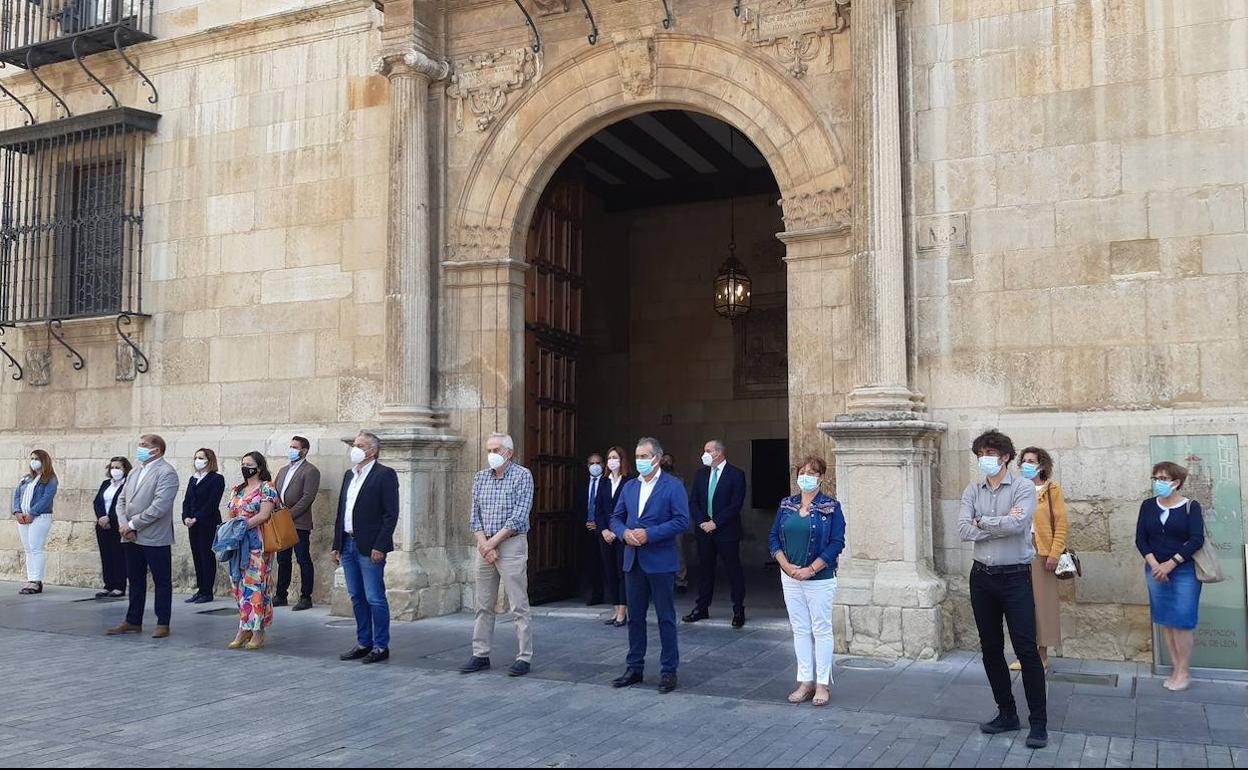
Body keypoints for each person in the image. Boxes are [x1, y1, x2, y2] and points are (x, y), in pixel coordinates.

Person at [957, 429, 1046, 749]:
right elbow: (963, 529)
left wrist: (983, 522)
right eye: (981, 455)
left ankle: (1039, 722)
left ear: (1006, 456)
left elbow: (1018, 525)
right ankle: (1007, 712)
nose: (985, 460)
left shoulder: (1024, 488)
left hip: (1015, 578)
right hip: (981, 578)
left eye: (991, 454)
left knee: (1026, 648)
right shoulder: (972, 489)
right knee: (990, 648)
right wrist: (993, 523)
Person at [610, 437, 689, 694]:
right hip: (633, 560)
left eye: (644, 456)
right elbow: (616, 517)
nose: (640, 461)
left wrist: (649, 534)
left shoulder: (672, 485)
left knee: (665, 617)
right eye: (637, 457)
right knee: (635, 618)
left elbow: (681, 521)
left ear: (657, 457)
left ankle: (668, 671)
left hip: (660, 561)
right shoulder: (630, 486)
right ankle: (634, 667)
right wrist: (624, 533)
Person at [770, 456, 845, 707]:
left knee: (821, 629)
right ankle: (805, 681)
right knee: (800, 629)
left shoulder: (831, 507)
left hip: (819, 578)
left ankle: (822, 684)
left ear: (821, 477)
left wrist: (812, 569)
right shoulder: (786, 505)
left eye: (812, 473)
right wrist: (785, 564)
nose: (806, 477)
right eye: (803, 472)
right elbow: (774, 538)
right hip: (790, 576)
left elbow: (837, 543)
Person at [462, 432, 535, 677]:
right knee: (483, 604)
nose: (491, 455)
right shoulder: (481, 477)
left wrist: (493, 544)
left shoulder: (522, 475)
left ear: (508, 452)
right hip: (485, 546)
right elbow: (475, 516)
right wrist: (484, 544)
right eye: (488, 450)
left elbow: (519, 515)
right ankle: (480, 653)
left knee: (518, 603)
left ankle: (524, 656)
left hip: (510, 544)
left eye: (495, 450)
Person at [1136, 461, 1205, 692]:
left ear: (1176, 482)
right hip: (1155, 570)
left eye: (1163, 479)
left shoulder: (1191, 506)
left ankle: (1184, 671)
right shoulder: (1147, 506)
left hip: (1184, 570)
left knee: (1182, 621)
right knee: (1166, 620)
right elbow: (1141, 539)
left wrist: (1171, 564)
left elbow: (1196, 539)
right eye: (1155, 478)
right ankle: (1175, 667)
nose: (1158, 483)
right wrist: (1156, 565)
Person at [333, 431, 400, 665]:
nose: (355, 448)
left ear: (372, 450)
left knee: (374, 597)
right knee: (356, 596)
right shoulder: (348, 476)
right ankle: (364, 642)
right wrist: (337, 544)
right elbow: (342, 512)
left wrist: (380, 545)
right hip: (348, 543)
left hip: (370, 546)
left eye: (360, 445)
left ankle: (381, 645)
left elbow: (390, 514)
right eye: (354, 444)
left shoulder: (385, 475)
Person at [109, 434, 180, 639]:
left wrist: (132, 524)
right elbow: (121, 500)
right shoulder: (134, 472)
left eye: (143, 446)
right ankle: (133, 620)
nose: (139, 448)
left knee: (161, 580)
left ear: (156, 450)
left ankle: (163, 622)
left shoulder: (166, 472)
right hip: (130, 536)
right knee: (135, 578)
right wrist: (123, 524)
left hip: (154, 536)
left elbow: (160, 506)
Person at [1010, 447, 1068, 671]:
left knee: (1042, 603)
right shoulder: (1016, 489)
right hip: (1017, 549)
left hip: (1041, 550)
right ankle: (1024, 653)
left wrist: (1054, 553)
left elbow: (1061, 523)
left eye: (1031, 461)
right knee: (1019, 603)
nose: (1026, 464)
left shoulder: (1051, 489)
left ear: (1041, 465)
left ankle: (1041, 655)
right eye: (1023, 461)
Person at [684, 439, 748, 628]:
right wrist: (702, 522)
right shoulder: (700, 474)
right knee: (705, 570)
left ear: (718, 453)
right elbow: (694, 501)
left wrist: (716, 523)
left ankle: (738, 610)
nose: (704, 454)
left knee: (733, 570)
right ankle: (701, 607)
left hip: (726, 531)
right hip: (704, 531)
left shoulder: (736, 474)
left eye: (708, 450)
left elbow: (735, 504)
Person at [224, 452, 279, 650]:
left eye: (249, 464)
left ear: (259, 466)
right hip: (238, 544)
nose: (245, 466)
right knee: (238, 585)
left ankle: (257, 630)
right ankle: (244, 626)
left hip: (257, 544)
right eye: (243, 463)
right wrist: (233, 529)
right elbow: (231, 513)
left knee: (255, 586)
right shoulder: (237, 490)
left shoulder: (267, 488)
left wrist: (242, 526)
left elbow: (264, 514)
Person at [275, 436, 322, 611]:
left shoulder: (311, 471)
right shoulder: (283, 470)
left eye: (295, 447)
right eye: (290, 446)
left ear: (304, 450)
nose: (292, 450)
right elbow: (276, 492)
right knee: (282, 559)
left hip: (299, 523)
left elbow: (308, 497)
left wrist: (289, 514)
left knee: (303, 558)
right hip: (281, 521)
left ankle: (306, 596)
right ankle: (281, 594)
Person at [13, 449, 58, 595]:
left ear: (43, 461)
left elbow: (46, 498)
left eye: (36, 458)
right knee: (28, 549)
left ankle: (36, 581)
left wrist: (32, 513)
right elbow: (17, 495)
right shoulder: (26, 478)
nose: (33, 461)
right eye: (32, 458)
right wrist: (17, 512)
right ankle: (30, 578)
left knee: (35, 547)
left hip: (40, 517)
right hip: (23, 518)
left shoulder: (50, 479)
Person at [183, 448, 225, 604]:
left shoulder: (216, 479)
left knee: (206, 556)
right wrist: (186, 517)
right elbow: (187, 500)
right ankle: (200, 589)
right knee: (197, 556)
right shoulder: (193, 479)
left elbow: (212, 503)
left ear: (209, 460)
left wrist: (196, 517)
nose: (197, 460)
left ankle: (207, 591)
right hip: (192, 524)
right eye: (196, 457)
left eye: (200, 457)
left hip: (207, 523)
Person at [598, 447, 632, 627]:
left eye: (615, 457)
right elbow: (599, 509)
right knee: (609, 571)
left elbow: (630, 509)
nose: (611, 461)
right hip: (605, 535)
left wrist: (617, 531)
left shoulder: (630, 482)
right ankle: (615, 607)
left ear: (622, 460)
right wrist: (604, 530)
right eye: (609, 457)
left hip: (622, 535)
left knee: (621, 571)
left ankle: (623, 611)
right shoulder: (603, 482)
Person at [92, 456, 131, 599]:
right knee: (106, 554)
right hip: (102, 525)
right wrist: (101, 517)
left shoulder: (127, 485)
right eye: (112, 467)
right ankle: (108, 584)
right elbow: (97, 502)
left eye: (118, 467)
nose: (114, 470)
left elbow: (124, 505)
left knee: (118, 555)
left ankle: (119, 585)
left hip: (117, 524)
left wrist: (111, 518)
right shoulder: (105, 484)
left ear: (124, 469)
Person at [577, 452, 605, 606]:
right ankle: (595, 594)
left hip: (604, 530)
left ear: (603, 465)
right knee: (590, 563)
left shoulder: (607, 483)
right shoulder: (582, 485)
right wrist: (586, 522)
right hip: (586, 530)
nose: (595, 466)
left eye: (598, 463)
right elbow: (579, 507)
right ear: (587, 466)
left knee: (605, 563)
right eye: (591, 463)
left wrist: (599, 524)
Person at [662, 452, 690, 595]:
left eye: (669, 460)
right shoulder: (653, 478)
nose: (666, 463)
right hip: (659, 521)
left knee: (678, 550)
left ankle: (680, 580)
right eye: (664, 460)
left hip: (675, 520)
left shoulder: (678, 478)